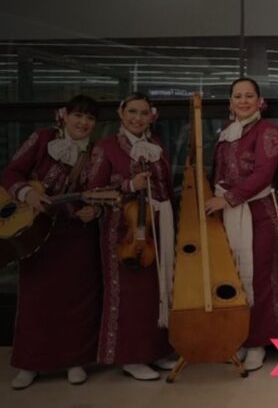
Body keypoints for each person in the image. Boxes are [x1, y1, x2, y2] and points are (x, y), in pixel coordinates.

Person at [3, 95, 102, 389]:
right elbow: (10, 172)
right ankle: (30, 363)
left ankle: (76, 361)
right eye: (78, 116)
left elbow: (96, 192)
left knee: (78, 300)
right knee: (36, 299)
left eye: (90, 119)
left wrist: (94, 210)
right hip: (35, 232)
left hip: (74, 235)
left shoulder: (95, 152)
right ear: (65, 116)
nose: (83, 123)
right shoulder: (42, 138)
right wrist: (27, 194)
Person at [88, 92, 175, 381]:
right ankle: (131, 357)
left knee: (156, 291)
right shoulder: (106, 147)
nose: (138, 118)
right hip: (123, 231)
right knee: (130, 294)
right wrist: (128, 184)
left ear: (152, 116)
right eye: (132, 112)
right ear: (121, 114)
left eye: (144, 112)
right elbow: (93, 191)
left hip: (156, 226)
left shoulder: (156, 145)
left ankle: (155, 351)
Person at [204, 77, 278, 372]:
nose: (243, 101)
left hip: (259, 213)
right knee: (233, 275)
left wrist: (229, 198)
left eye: (249, 96)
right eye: (237, 96)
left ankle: (258, 342)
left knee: (260, 278)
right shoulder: (226, 133)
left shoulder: (268, 132)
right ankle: (237, 334)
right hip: (227, 214)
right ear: (230, 102)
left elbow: (264, 175)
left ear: (259, 100)